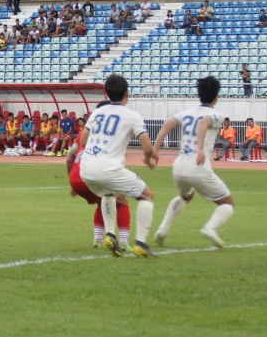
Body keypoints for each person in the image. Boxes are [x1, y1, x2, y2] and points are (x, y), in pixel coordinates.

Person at [78, 74, 158, 258]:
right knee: (147, 195)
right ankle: (141, 243)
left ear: (107, 93)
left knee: (108, 193)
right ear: (127, 94)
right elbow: (147, 146)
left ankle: (111, 235)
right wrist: (148, 159)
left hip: (87, 168)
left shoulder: (97, 113)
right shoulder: (132, 116)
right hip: (107, 168)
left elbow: (83, 139)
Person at [151, 76, 236, 248]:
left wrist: (156, 148)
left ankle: (162, 229)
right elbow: (204, 122)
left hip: (179, 167)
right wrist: (199, 148)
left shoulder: (186, 113)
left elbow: (168, 124)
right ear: (216, 96)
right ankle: (210, 228)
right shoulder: (216, 115)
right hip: (198, 167)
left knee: (186, 196)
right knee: (227, 203)